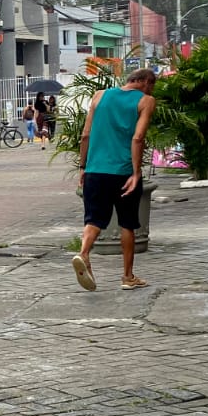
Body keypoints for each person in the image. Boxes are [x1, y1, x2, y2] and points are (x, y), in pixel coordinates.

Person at [71, 68, 157, 293]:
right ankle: (127, 277)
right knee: (127, 223)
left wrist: (83, 166)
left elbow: (85, 134)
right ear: (143, 82)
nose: (151, 89)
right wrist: (136, 173)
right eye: (152, 84)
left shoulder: (100, 95)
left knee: (94, 220)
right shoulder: (146, 101)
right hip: (123, 172)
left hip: (95, 170)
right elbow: (138, 138)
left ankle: (83, 253)